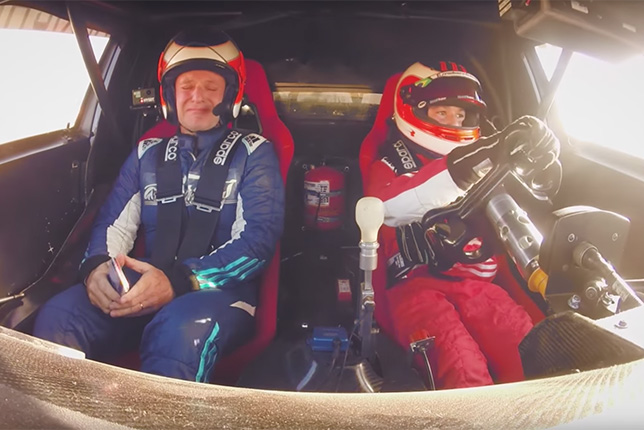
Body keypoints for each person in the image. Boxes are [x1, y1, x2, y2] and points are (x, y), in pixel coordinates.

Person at [33, 28, 285, 383]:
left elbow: (257, 242)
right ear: (169, 95)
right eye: (186, 86)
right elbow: (112, 225)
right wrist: (97, 270)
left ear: (230, 95)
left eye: (211, 87)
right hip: (146, 283)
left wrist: (179, 282)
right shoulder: (146, 154)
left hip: (221, 293)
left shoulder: (254, 152)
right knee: (60, 316)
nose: (197, 96)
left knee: (182, 332)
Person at [366, 61, 559, 389]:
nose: (453, 122)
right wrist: (472, 161)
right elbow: (386, 208)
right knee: (463, 370)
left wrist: (534, 162)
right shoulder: (389, 165)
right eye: (442, 113)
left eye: (460, 115)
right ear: (416, 110)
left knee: (539, 360)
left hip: (480, 286)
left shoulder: (489, 164)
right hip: (416, 288)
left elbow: (518, 218)